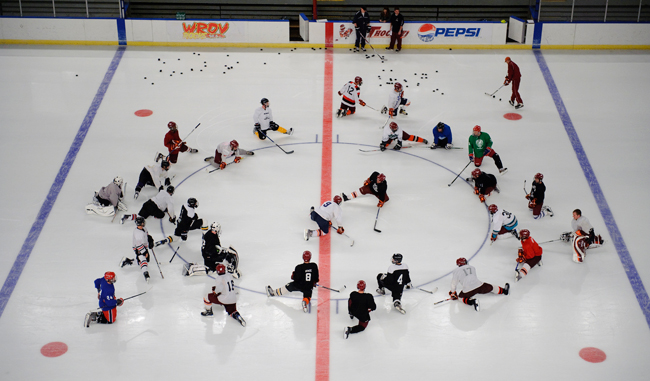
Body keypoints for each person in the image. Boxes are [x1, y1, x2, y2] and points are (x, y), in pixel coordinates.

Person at [119, 216, 168, 282]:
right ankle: (146, 274)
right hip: (138, 248)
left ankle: (128, 261)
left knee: (145, 260)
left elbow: (146, 235)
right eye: (143, 222)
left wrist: (150, 240)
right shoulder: (138, 234)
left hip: (143, 246)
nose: (144, 223)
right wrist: (145, 252)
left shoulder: (144, 228)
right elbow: (138, 245)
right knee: (143, 260)